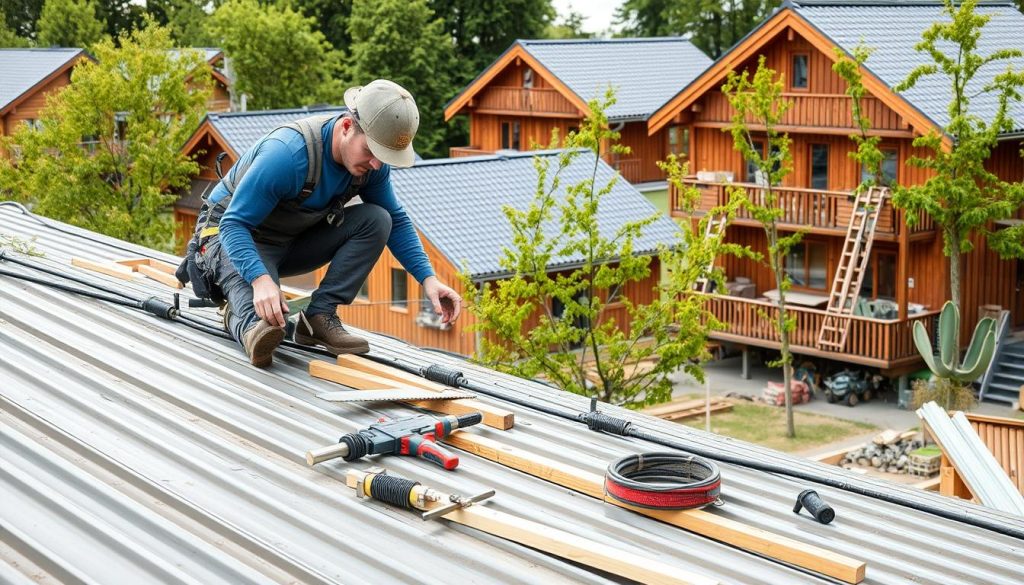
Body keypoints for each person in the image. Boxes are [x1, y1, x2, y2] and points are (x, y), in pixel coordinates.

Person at [184, 79, 461, 367]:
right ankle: (241, 318)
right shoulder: (287, 154)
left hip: (287, 241)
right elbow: (233, 225)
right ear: (346, 127)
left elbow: (399, 221)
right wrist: (260, 279)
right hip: (230, 237)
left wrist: (428, 279)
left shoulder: (372, 167)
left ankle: (318, 317)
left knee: (378, 219)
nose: (377, 164)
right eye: (371, 151)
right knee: (267, 329)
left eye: (384, 156)